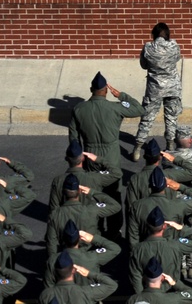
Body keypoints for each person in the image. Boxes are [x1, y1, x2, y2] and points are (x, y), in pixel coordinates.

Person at [68, 71, 143, 237]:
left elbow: (73, 138)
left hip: (89, 153)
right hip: (111, 155)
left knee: (92, 190)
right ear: (106, 90)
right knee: (113, 192)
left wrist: (78, 159)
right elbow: (139, 109)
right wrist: (122, 95)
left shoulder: (79, 109)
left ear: (90, 89)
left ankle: (94, 227)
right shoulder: (114, 108)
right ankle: (114, 229)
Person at [133, 22, 183, 160]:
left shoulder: (148, 47)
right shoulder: (173, 45)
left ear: (153, 34)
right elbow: (177, 58)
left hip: (154, 89)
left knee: (147, 118)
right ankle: (170, 145)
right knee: (171, 117)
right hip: (173, 88)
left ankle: (138, 147)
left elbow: (143, 65)